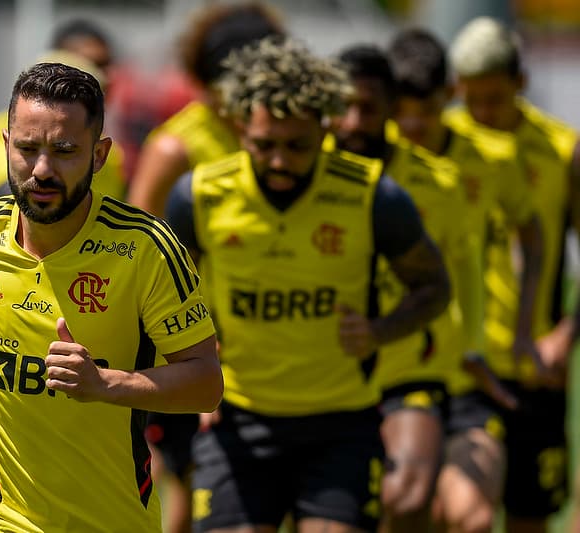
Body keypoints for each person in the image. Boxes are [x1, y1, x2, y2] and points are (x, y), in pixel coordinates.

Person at [0, 62, 222, 532]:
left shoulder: (146, 250)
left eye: (64, 151)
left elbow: (206, 383)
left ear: (99, 156)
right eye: (26, 149)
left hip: (111, 518)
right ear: (6, 146)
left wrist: (106, 385)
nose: (41, 170)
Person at [166, 35, 450, 533]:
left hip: (340, 425)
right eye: (263, 145)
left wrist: (380, 331)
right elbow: (164, 301)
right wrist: (194, 370)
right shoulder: (200, 197)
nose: (278, 161)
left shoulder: (373, 196)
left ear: (325, 128)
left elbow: (434, 287)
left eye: (296, 146)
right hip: (237, 421)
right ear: (239, 128)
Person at [128, 5, 284, 532]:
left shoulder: (273, 139)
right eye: (233, 84)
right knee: (192, 486)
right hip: (190, 349)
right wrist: (191, 347)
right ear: (206, 79)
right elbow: (136, 253)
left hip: (264, 346)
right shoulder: (177, 146)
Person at [387, 27, 544, 533]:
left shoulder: (491, 157)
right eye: (402, 110)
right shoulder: (372, 163)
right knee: (406, 509)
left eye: (426, 110)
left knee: (472, 518)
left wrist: (524, 329)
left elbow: (535, 236)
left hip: (468, 369)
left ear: (448, 96)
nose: (412, 124)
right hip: (393, 372)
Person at [330, 43, 475, 533]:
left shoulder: (439, 183)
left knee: (407, 497)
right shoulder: (304, 176)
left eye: (367, 108)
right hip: (317, 372)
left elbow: (454, 281)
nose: (351, 121)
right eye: (340, 107)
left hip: (410, 368)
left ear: (393, 108)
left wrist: (473, 353)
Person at [445, 16, 579, 533]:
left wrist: (564, 337)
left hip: (533, 370)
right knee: (455, 511)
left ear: (521, 83)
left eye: (494, 99)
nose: (482, 113)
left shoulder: (562, 150)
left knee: (530, 516)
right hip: (463, 367)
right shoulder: (447, 143)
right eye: (471, 99)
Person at [127, 1, 284, 218]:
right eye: (238, 83)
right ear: (206, 83)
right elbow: (139, 240)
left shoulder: (289, 133)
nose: (254, 97)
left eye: (267, 83)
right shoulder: (173, 150)